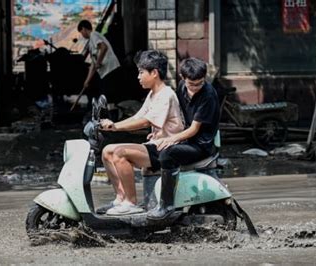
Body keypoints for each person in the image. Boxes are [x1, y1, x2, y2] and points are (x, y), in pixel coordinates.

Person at [97, 50, 184, 216]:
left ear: (154, 73)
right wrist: (112, 125)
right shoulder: (153, 94)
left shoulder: (166, 94)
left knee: (120, 153)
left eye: (141, 72)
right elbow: (139, 116)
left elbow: (146, 121)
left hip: (166, 149)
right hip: (156, 145)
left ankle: (131, 202)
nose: (138, 77)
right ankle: (120, 198)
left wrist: (115, 127)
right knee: (107, 151)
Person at [147, 57, 220, 220]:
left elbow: (194, 129)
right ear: (182, 77)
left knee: (167, 154)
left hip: (201, 146)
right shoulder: (181, 87)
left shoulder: (208, 94)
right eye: (191, 84)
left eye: (200, 83)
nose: (195, 88)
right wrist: (161, 131)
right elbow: (176, 114)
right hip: (185, 139)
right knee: (150, 150)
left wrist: (171, 139)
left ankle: (166, 206)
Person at [77, 20, 121, 106]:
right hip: (105, 72)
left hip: (110, 69)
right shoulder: (91, 42)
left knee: (109, 96)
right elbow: (93, 64)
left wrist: (98, 62)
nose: (82, 35)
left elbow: (104, 47)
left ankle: (114, 116)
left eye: (81, 32)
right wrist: (87, 81)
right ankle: (110, 114)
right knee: (106, 95)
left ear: (84, 29)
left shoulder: (94, 35)